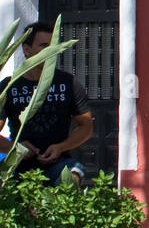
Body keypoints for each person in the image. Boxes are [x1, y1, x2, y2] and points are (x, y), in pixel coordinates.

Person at [0, 21, 92, 186]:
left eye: (53, 46)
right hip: (17, 166)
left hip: (58, 163)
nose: (50, 51)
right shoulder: (8, 86)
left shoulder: (68, 82)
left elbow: (86, 127)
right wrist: (16, 149)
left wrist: (61, 147)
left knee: (72, 176)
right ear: (26, 50)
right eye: (44, 46)